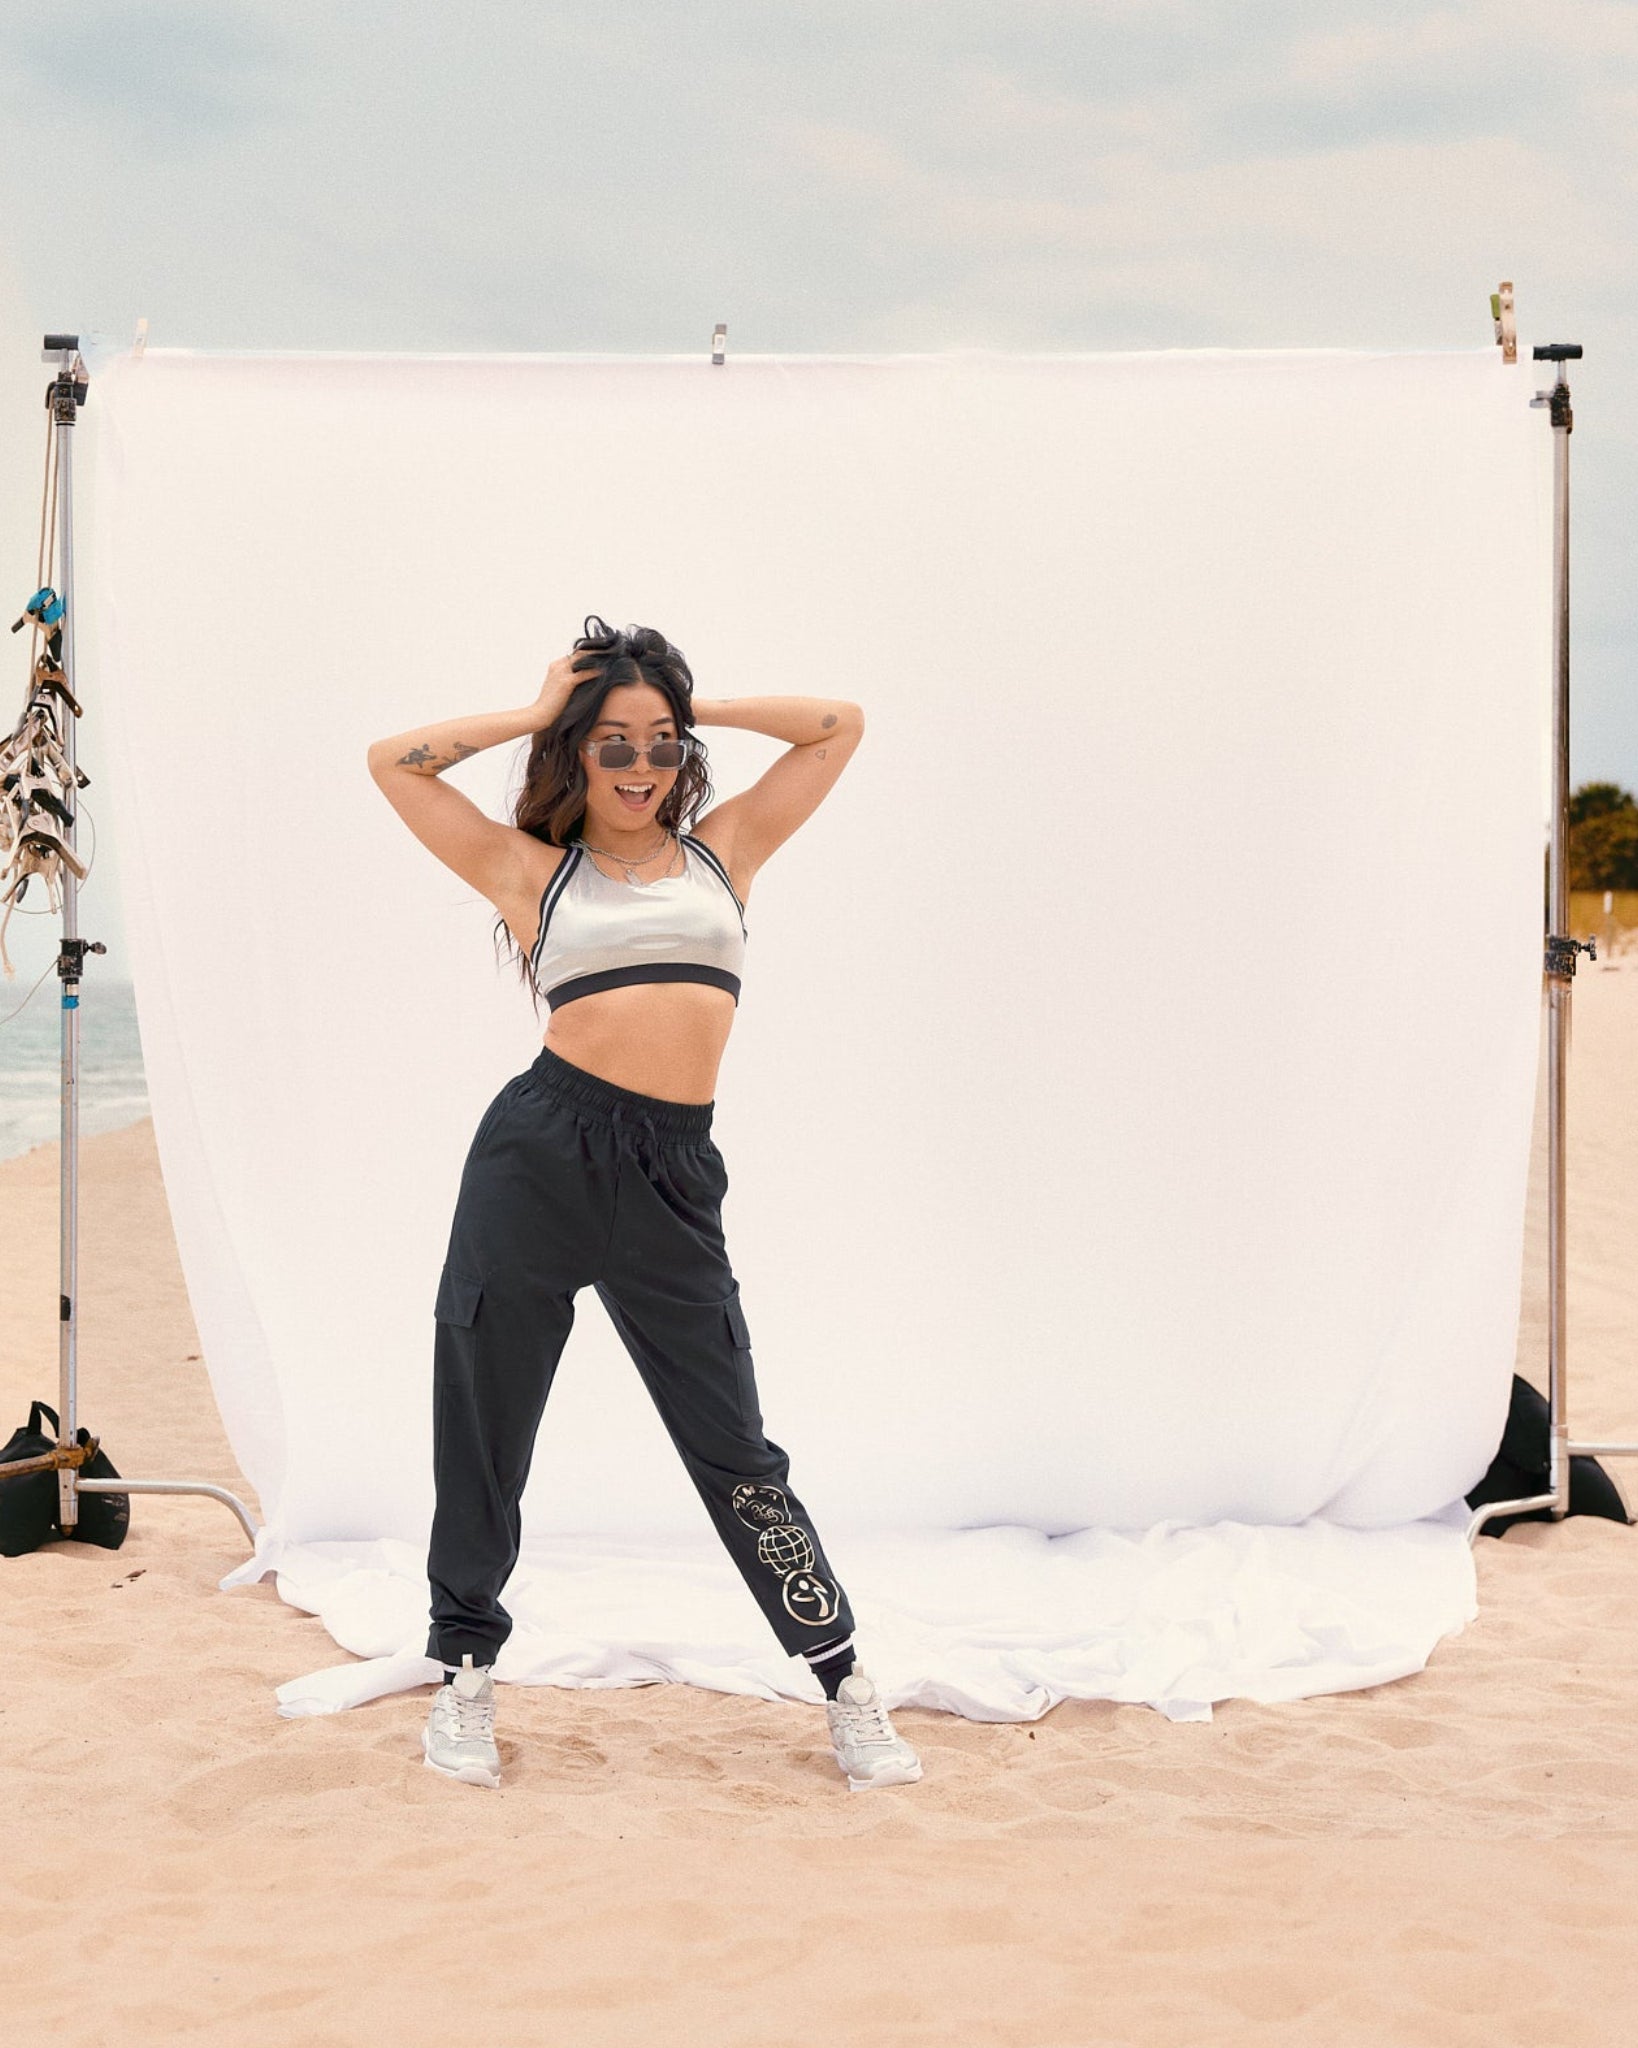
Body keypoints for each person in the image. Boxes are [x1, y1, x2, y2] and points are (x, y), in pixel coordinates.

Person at [365, 615, 921, 1794]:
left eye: (658, 746)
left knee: (736, 1448)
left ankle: (846, 1683)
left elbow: (839, 729)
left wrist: (688, 702)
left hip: (673, 1175)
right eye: (610, 743)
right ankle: (465, 1670)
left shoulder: (726, 851)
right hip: (539, 1158)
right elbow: (393, 763)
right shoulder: (533, 871)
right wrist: (531, 714)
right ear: (576, 753)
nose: (637, 767)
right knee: (487, 1423)